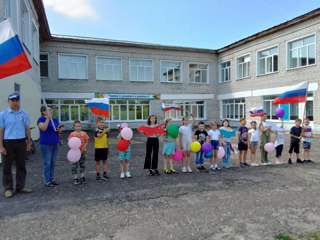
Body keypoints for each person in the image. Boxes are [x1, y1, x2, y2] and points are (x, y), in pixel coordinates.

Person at [0, 93, 33, 198]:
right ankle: (8, 188)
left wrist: (28, 142)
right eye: (12, 100)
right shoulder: (3, 114)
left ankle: (20, 186)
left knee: (21, 165)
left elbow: (27, 129)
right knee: (7, 167)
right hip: (8, 143)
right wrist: (1, 146)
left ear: (19, 101)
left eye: (16, 100)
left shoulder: (24, 114)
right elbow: (1, 131)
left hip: (21, 142)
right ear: (8, 102)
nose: (15, 103)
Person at [38, 106, 62, 187]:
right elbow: (43, 128)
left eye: (51, 110)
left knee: (53, 162)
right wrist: (48, 119)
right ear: (43, 112)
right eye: (48, 110)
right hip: (46, 144)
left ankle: (52, 179)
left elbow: (58, 131)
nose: (51, 111)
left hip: (54, 143)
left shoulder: (54, 120)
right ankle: (47, 180)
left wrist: (59, 130)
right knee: (47, 163)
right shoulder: (41, 120)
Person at [68, 120, 90, 184]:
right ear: (74, 127)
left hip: (83, 151)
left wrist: (83, 147)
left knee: (82, 164)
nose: (78, 127)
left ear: (81, 126)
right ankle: (75, 177)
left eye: (79, 126)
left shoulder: (84, 133)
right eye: (76, 126)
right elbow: (70, 142)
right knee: (74, 165)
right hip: (74, 152)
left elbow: (87, 141)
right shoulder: (72, 134)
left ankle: (82, 176)